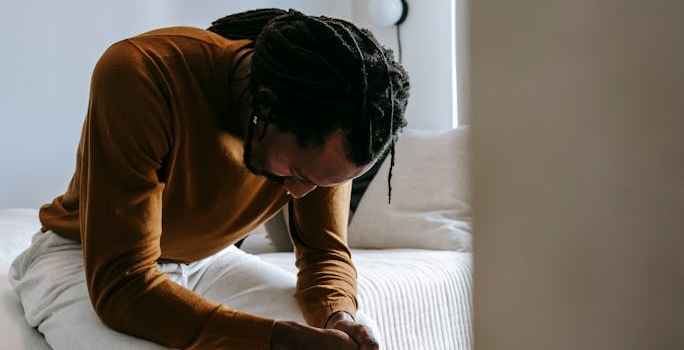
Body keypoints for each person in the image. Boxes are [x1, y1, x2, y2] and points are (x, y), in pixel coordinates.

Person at [8, 8, 409, 350]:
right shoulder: (143, 73)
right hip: (84, 260)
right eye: (299, 174)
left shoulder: (340, 114)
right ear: (265, 105)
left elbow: (323, 252)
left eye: (321, 184)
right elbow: (122, 285)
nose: (301, 194)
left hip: (207, 259)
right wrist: (276, 339)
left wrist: (338, 315)